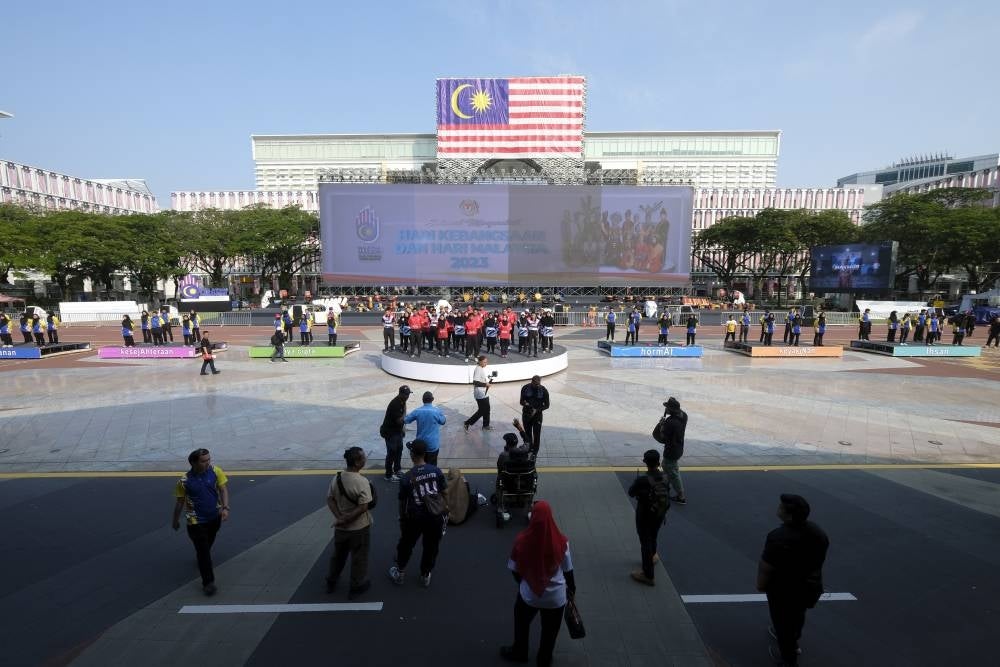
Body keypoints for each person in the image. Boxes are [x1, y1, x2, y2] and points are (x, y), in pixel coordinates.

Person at [500, 500, 576, 666]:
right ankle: (544, 659)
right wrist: (572, 591)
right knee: (550, 631)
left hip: (530, 595)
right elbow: (568, 571)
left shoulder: (521, 541)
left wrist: (524, 582)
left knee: (522, 622)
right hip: (556, 599)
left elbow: (514, 569)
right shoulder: (562, 542)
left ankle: (520, 651)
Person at [756, 494, 829, 667]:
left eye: (781, 507)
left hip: (783, 589)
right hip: (809, 586)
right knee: (797, 615)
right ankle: (794, 640)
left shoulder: (778, 537)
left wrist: (760, 584)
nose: (778, 508)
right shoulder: (817, 532)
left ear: (788, 515)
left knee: (782, 623)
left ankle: (789, 659)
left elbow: (766, 566)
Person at [388, 439, 448, 589]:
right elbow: (445, 492)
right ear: (425, 454)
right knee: (431, 546)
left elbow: (402, 502)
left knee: (406, 544)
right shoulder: (436, 471)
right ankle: (425, 574)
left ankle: (400, 572)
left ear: (411, 454)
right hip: (435, 517)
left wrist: (402, 518)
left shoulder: (407, 477)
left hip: (414, 518)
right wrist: (445, 509)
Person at [172, 448, 230, 596]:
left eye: (209, 459)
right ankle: (208, 583)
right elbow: (179, 502)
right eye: (204, 461)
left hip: (214, 517)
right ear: (193, 463)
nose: (208, 463)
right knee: (204, 551)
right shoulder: (184, 481)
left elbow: (223, 489)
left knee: (207, 545)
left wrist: (225, 508)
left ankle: (202, 558)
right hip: (195, 521)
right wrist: (175, 520)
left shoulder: (215, 471)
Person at [325, 446, 372, 599]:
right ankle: (356, 586)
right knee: (359, 557)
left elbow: (330, 499)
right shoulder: (362, 481)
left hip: (341, 529)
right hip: (359, 528)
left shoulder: (337, 478)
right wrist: (348, 519)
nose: (365, 459)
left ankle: (331, 581)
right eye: (363, 457)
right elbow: (364, 507)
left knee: (338, 555)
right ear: (357, 463)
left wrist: (340, 517)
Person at [628, 449, 670, 586]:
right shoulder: (666, 476)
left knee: (645, 541)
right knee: (653, 535)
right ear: (658, 462)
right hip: (660, 513)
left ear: (645, 462)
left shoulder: (642, 480)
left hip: (645, 514)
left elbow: (631, 493)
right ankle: (652, 556)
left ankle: (648, 575)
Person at [404, 391, 446, 466]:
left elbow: (406, 420)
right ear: (432, 399)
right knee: (432, 467)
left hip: (420, 445)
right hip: (432, 445)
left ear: (423, 400)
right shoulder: (436, 411)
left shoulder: (417, 411)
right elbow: (443, 421)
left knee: (419, 466)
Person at [660, 397, 688, 504]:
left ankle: (681, 496)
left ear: (671, 410)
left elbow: (662, 438)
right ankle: (666, 485)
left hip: (671, 450)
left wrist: (662, 425)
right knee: (668, 467)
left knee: (671, 471)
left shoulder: (670, 422)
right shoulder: (684, 416)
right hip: (679, 448)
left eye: (667, 407)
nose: (665, 409)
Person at [381, 386, 410, 481]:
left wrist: (402, 429)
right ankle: (388, 475)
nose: (408, 396)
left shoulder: (402, 401)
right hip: (390, 433)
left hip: (397, 431)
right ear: (400, 393)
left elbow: (401, 420)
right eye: (406, 394)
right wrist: (406, 416)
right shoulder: (395, 404)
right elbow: (399, 421)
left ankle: (397, 470)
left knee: (399, 450)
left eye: (408, 394)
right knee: (392, 453)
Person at [519, 375, 550, 455]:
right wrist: (525, 404)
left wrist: (537, 410)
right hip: (526, 414)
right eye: (535, 384)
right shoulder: (525, 388)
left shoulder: (543, 390)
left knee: (537, 434)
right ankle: (529, 448)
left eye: (538, 384)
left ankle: (535, 451)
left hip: (537, 415)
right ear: (531, 381)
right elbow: (521, 401)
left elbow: (547, 405)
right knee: (527, 433)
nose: (537, 386)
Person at [464, 355, 494, 431]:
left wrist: (486, 383)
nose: (486, 364)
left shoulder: (480, 368)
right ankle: (467, 423)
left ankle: (486, 425)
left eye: (486, 362)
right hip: (480, 393)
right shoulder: (478, 369)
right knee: (482, 411)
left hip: (484, 393)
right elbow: (475, 382)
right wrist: (485, 384)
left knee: (487, 409)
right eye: (484, 362)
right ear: (480, 362)